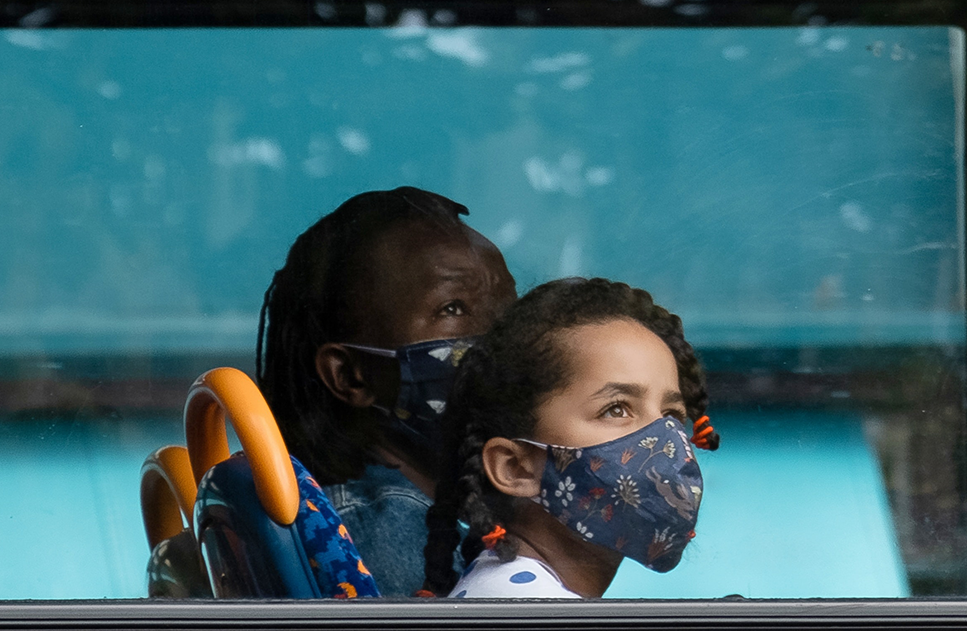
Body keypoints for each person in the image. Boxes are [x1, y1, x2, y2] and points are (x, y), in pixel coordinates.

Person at [255, 187, 518, 597]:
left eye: (511, 305)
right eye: (453, 308)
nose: (506, 332)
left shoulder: (434, 508)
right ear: (351, 376)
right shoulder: (379, 535)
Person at [422, 277, 720, 599]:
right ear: (515, 467)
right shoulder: (530, 612)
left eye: (671, 415)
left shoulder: (524, 597)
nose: (665, 439)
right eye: (616, 409)